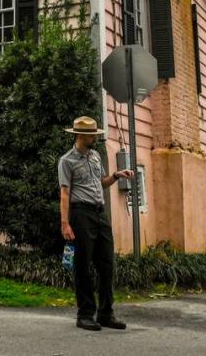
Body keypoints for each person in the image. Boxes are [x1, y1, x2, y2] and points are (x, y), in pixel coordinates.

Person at [57, 116, 134, 331]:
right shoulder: (67, 161)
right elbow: (65, 193)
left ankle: (106, 314)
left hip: (100, 214)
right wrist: (65, 223)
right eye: (92, 135)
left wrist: (117, 176)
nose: (95, 138)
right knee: (82, 265)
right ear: (80, 135)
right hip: (81, 215)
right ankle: (85, 314)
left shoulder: (95, 157)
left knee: (107, 265)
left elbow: (101, 183)